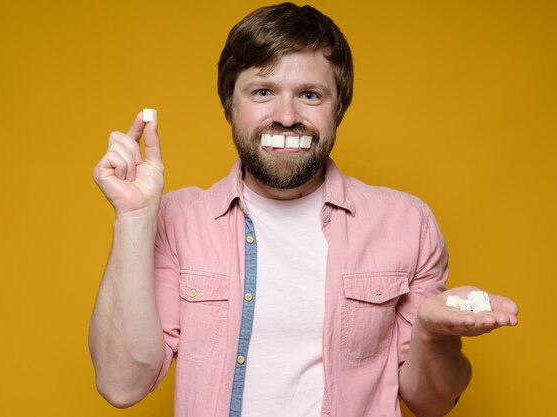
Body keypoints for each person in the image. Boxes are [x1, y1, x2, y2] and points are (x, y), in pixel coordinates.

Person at [89, 3, 519, 417]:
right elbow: (121, 384)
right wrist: (133, 219)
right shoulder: (178, 220)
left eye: (310, 94)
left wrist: (431, 331)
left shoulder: (408, 223)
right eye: (263, 92)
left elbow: (432, 402)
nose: (287, 116)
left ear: (339, 108)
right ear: (230, 106)